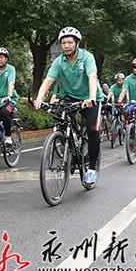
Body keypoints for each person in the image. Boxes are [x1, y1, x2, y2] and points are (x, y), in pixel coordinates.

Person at [33, 27, 103, 185]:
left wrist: (91, 98)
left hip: (90, 98)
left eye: (70, 42)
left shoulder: (87, 57)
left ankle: (91, 169)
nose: (66, 45)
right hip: (69, 97)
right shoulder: (59, 61)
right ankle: (71, 149)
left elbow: (92, 77)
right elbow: (48, 80)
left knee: (92, 130)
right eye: (63, 43)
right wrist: (39, 99)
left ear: (76, 43)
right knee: (63, 124)